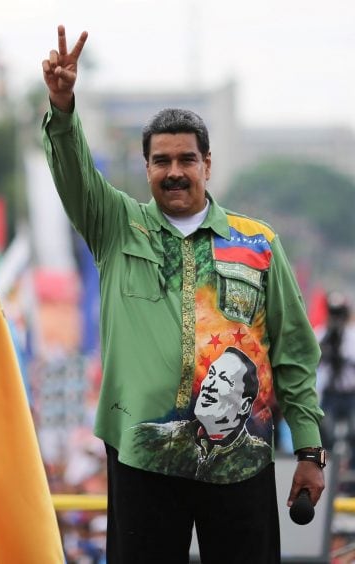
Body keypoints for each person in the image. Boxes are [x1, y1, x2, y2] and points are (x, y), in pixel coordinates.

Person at [41, 26, 326, 563]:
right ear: (146, 168)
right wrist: (62, 108)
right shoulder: (117, 227)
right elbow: (74, 175)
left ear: (207, 164)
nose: (174, 172)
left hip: (241, 461)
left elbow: (293, 352)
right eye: (161, 161)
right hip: (144, 457)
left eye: (186, 160)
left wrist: (308, 448)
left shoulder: (259, 244)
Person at [131, 347, 272, 482]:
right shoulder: (154, 438)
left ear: (244, 405)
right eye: (211, 374)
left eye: (223, 379)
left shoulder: (258, 457)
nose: (209, 384)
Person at [317, 292, 355, 488]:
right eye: (334, 313)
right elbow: (312, 363)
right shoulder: (321, 333)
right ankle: (321, 473)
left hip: (350, 395)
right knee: (324, 437)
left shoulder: (352, 337)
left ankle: (351, 481)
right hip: (330, 395)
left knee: (353, 433)